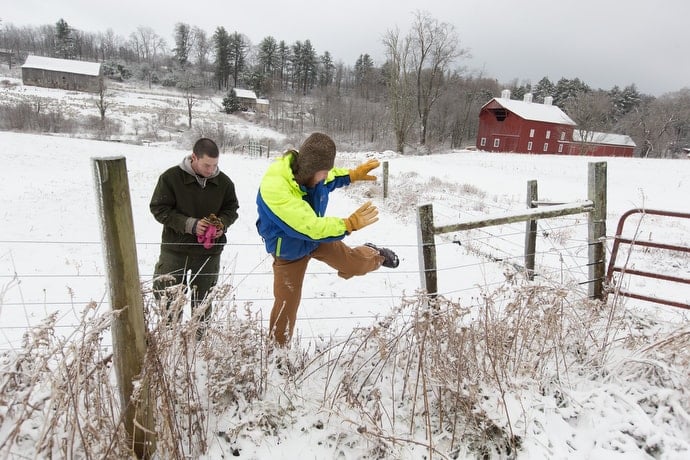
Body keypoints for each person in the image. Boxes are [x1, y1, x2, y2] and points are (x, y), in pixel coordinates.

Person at [256, 132, 399, 346]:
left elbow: (330, 179)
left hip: (316, 238)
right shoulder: (276, 187)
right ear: (309, 169)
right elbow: (308, 227)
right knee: (287, 304)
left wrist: (352, 175)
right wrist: (348, 224)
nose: (325, 176)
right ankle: (277, 353)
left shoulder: (311, 174)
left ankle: (374, 254)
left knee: (356, 265)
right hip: (289, 249)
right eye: (323, 171)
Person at [150, 137, 239, 336]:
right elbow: (159, 208)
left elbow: (231, 209)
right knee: (168, 296)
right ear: (194, 157)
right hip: (175, 249)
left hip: (209, 252)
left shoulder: (223, 182)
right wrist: (190, 225)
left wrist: (221, 225)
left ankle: (199, 343)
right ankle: (169, 339)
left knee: (204, 300)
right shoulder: (171, 178)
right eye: (207, 165)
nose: (211, 170)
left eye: (215, 165)